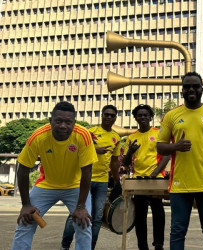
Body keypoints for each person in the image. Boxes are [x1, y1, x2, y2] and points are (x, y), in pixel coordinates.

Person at [157, 72, 203, 250]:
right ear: (182, 90)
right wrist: (176, 146)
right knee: (177, 232)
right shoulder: (171, 116)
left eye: (195, 86)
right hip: (179, 185)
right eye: (187, 86)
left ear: (202, 89)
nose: (191, 89)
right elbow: (160, 147)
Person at [11, 101, 97, 250]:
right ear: (51, 121)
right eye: (58, 121)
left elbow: (87, 172)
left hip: (75, 185)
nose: (63, 126)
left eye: (68, 122)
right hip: (47, 184)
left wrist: (81, 206)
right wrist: (26, 205)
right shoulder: (38, 137)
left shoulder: (83, 135)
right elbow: (23, 169)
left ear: (74, 123)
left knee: (84, 224)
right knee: (25, 220)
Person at [61, 105, 122, 250]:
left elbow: (114, 162)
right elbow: (75, 148)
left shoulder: (116, 137)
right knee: (74, 214)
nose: (109, 117)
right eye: (106, 114)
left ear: (115, 118)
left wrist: (117, 181)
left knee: (97, 218)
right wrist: (95, 149)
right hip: (83, 180)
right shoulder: (90, 132)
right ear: (101, 115)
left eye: (112, 115)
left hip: (102, 182)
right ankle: (65, 246)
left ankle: (90, 246)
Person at [123, 104, 170, 250]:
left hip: (156, 179)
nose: (142, 117)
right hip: (139, 180)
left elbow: (166, 155)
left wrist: (154, 173)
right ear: (135, 118)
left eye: (145, 115)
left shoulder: (159, 133)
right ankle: (142, 246)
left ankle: (158, 244)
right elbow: (125, 162)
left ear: (150, 117)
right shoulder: (131, 137)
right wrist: (130, 152)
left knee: (158, 213)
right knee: (140, 216)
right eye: (139, 115)